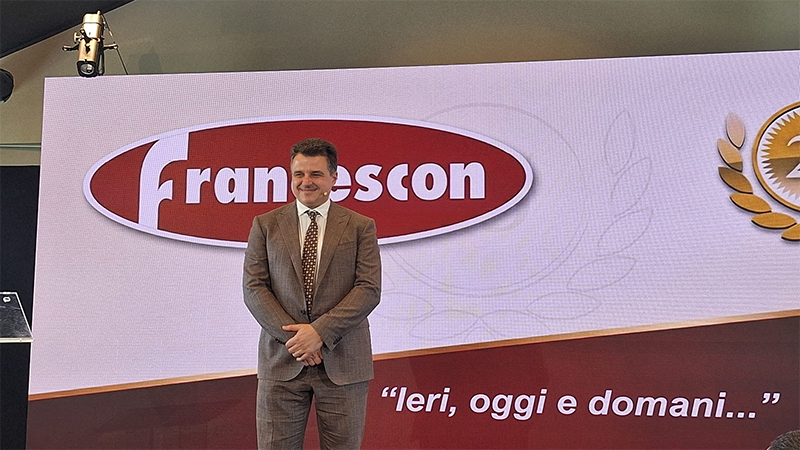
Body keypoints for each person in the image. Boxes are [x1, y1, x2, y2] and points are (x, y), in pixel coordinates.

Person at [243, 138, 381, 449]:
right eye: (299, 174)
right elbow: (254, 288)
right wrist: (297, 341)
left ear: (334, 177)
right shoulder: (265, 225)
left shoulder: (360, 226)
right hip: (282, 360)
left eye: (316, 174)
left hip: (344, 363)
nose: (306, 182)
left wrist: (319, 333)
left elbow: (368, 289)